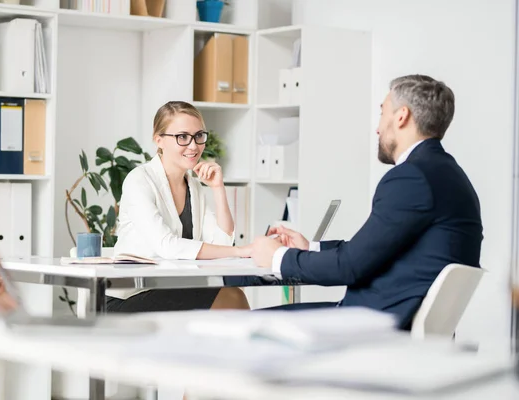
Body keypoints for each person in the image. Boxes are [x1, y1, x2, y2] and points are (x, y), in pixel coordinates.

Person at [250, 74, 483, 330]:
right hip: (394, 324)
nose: (378, 127)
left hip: (373, 328)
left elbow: (350, 266)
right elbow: (371, 252)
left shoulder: (411, 177)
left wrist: (278, 257)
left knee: (239, 324)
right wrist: (310, 247)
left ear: (401, 116)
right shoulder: (449, 175)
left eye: (383, 112)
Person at [107, 101, 251, 313]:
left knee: (231, 294)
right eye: (182, 137)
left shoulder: (193, 185)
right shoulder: (139, 180)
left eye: (198, 136)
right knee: (231, 296)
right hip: (129, 297)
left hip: (170, 289)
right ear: (159, 140)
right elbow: (167, 245)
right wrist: (242, 250)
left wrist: (218, 188)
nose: (193, 146)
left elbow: (221, 243)